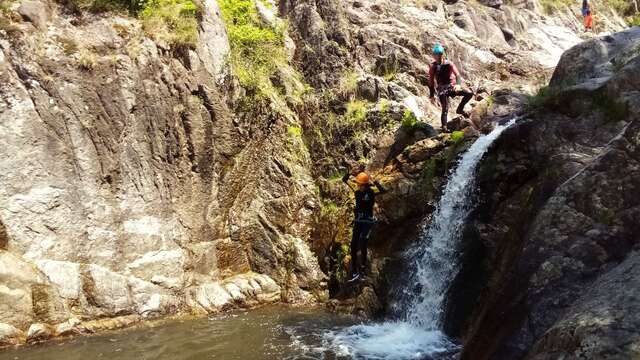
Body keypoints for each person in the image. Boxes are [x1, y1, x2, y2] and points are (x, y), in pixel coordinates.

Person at [342, 171, 387, 282]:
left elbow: (383, 191)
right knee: (353, 244)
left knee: (363, 243)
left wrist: (376, 182)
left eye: (360, 184)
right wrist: (347, 176)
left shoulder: (372, 192)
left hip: (367, 222)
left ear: (365, 185)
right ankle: (354, 270)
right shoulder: (357, 191)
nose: (358, 186)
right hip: (358, 221)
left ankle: (362, 269)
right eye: (358, 184)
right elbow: (344, 180)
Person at [427, 43, 474, 132]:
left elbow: (458, 75)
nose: (438, 57)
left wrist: (458, 85)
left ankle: (460, 109)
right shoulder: (433, 67)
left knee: (469, 93)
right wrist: (432, 95)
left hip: (452, 87)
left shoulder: (449, 64)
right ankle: (444, 127)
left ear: (442, 54)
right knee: (445, 108)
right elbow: (431, 82)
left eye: (440, 54)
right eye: (437, 55)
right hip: (442, 89)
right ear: (434, 56)